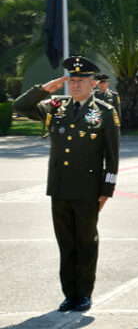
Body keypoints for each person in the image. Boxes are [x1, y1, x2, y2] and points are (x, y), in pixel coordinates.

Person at [13, 56, 120, 312]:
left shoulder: (104, 112)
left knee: (86, 242)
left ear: (93, 83)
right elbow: (20, 106)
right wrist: (43, 89)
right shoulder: (56, 106)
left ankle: (84, 293)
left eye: (81, 81)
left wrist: (106, 191)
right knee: (66, 243)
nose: (75, 85)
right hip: (60, 187)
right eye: (71, 80)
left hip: (88, 189)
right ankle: (69, 294)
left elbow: (112, 158)